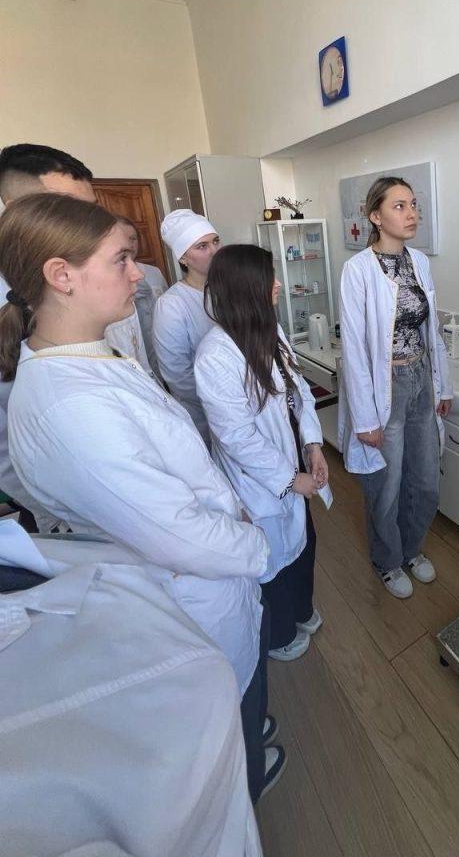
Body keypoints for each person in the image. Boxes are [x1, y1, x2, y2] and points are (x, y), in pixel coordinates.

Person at [0, 193, 285, 801]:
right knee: (221, 730)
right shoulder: (72, 407)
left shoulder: (91, 358)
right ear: (61, 275)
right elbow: (178, 534)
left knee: (238, 700)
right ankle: (246, 781)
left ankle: (248, 741)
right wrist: (256, 544)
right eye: (121, 260)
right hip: (192, 591)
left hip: (204, 572)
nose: (139, 273)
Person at [0, 522, 263, 857]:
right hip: (195, 637)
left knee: (246, 706)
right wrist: (257, 542)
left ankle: (251, 749)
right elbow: (183, 536)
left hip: (193, 596)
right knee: (235, 724)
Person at [0, 143, 149, 532]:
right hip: (76, 510)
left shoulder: (102, 277)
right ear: (19, 210)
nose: (88, 224)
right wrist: (64, 515)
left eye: (90, 208)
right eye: (67, 207)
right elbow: (4, 444)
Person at [195, 244, 328, 662]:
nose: (278, 284)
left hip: (293, 459)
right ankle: (279, 635)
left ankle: (301, 610)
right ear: (246, 287)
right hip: (261, 481)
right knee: (271, 561)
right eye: (269, 277)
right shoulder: (216, 355)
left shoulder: (271, 330)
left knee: (304, 544)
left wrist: (313, 445)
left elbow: (299, 391)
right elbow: (237, 438)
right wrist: (290, 478)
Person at [338, 176, 453, 598]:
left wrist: (443, 387)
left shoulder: (418, 262)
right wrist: (365, 418)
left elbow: (431, 330)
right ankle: (387, 559)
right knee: (386, 485)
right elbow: (353, 347)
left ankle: (412, 549)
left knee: (424, 480)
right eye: (400, 206)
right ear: (375, 216)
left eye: (414, 205)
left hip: (421, 378)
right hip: (385, 388)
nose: (412, 214)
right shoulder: (358, 270)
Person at [153, 208, 220, 443]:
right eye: (202, 246)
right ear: (183, 258)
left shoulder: (228, 290)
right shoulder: (171, 305)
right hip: (204, 413)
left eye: (215, 241)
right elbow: (177, 376)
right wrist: (224, 398)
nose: (214, 251)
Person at [115, 215, 169, 381]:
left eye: (133, 239)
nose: (130, 245)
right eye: (125, 239)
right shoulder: (109, 281)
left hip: (160, 347)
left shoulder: (154, 272)